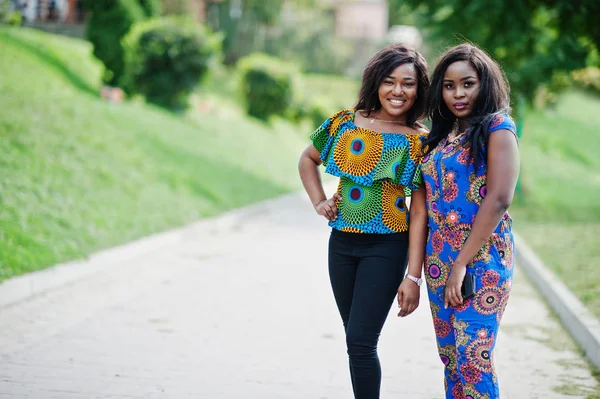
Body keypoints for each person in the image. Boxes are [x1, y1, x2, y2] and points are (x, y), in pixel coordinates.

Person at [298, 44, 430, 399]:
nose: (398, 91)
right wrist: (319, 202)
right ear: (376, 82)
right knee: (354, 339)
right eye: (390, 81)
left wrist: (413, 276)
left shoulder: (420, 142)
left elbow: (419, 213)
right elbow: (307, 159)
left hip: (387, 247)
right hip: (340, 244)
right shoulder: (345, 123)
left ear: (419, 90)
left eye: (408, 83)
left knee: (360, 340)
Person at [417, 43, 520, 398]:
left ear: (484, 84)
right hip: (438, 261)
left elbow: (499, 199)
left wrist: (461, 262)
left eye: (467, 83)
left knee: (473, 360)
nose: (457, 93)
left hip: (481, 259)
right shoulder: (443, 136)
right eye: (448, 85)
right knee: (452, 361)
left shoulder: (497, 127)